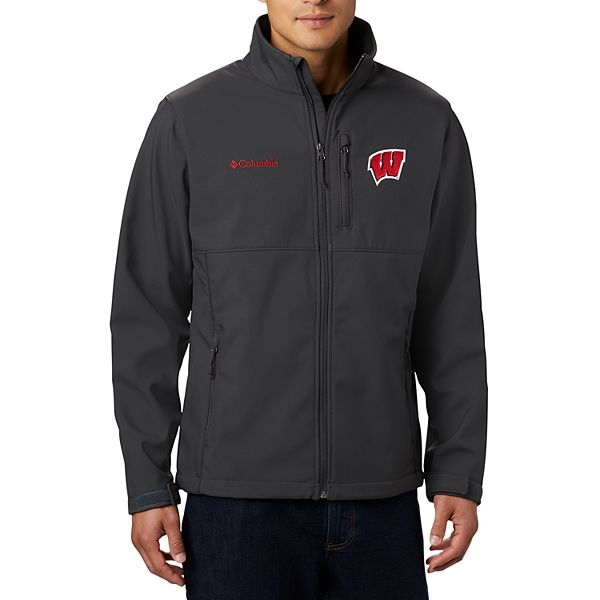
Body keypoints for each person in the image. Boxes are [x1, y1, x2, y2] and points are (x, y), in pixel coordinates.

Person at [109, 0, 488, 597]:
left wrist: (458, 471)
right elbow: (146, 315)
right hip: (235, 504)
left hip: (381, 500)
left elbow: (451, 312)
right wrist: (147, 482)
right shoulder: (191, 119)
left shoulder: (425, 120)